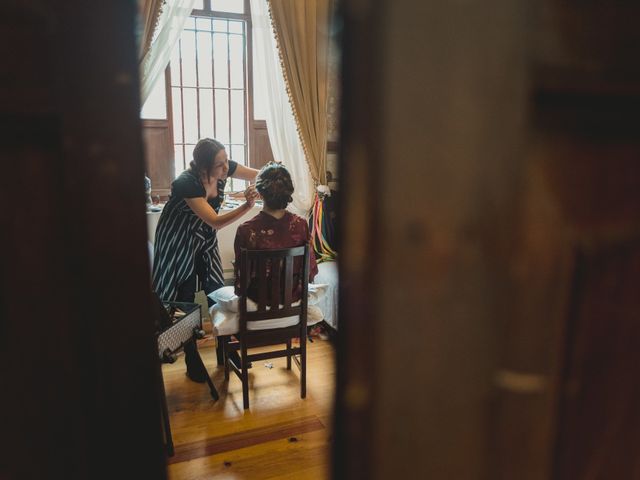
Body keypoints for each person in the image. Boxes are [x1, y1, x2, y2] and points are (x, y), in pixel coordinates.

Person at [152, 138, 259, 382]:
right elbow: (215, 221)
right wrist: (247, 205)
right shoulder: (185, 183)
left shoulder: (223, 167)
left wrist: (273, 174)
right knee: (184, 299)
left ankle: (226, 349)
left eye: (226, 161)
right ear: (203, 168)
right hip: (176, 242)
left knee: (216, 290)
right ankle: (192, 358)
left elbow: (259, 174)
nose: (226, 168)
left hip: (203, 238)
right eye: (220, 165)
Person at [233, 162, 318, 303]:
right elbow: (310, 273)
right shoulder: (301, 225)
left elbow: (241, 287)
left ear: (259, 194)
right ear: (289, 192)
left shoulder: (246, 230)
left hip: (257, 306)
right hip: (293, 304)